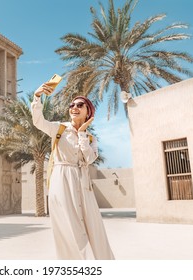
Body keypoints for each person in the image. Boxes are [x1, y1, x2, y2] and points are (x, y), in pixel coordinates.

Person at [31, 82, 115, 260]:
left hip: (83, 184)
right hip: (62, 180)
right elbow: (38, 121)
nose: (74, 108)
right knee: (69, 227)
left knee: (92, 226)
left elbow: (90, 159)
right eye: (71, 105)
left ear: (88, 111)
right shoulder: (59, 128)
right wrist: (37, 97)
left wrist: (83, 134)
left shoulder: (91, 138)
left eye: (79, 105)